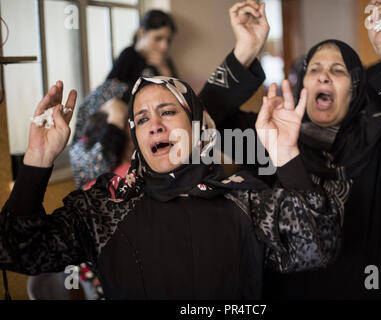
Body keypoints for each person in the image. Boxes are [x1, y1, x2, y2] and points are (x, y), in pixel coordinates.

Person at [0, 72, 343, 299]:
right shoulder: (105, 206)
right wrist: (38, 159)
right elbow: (16, 250)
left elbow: (317, 246)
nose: (155, 126)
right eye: (143, 118)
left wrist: (286, 155)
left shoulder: (246, 198)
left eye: (168, 112)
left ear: (196, 125)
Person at [207, 0, 381, 299]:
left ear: (356, 88)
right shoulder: (268, 136)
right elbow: (200, 126)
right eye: (315, 69)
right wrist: (246, 48)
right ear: (303, 82)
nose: (323, 76)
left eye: (338, 70)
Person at [70, 9, 178, 188]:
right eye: (158, 38)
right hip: (119, 128)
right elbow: (111, 91)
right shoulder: (129, 56)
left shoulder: (164, 63)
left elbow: (178, 98)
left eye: (168, 40)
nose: (164, 47)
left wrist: (164, 70)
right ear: (141, 33)